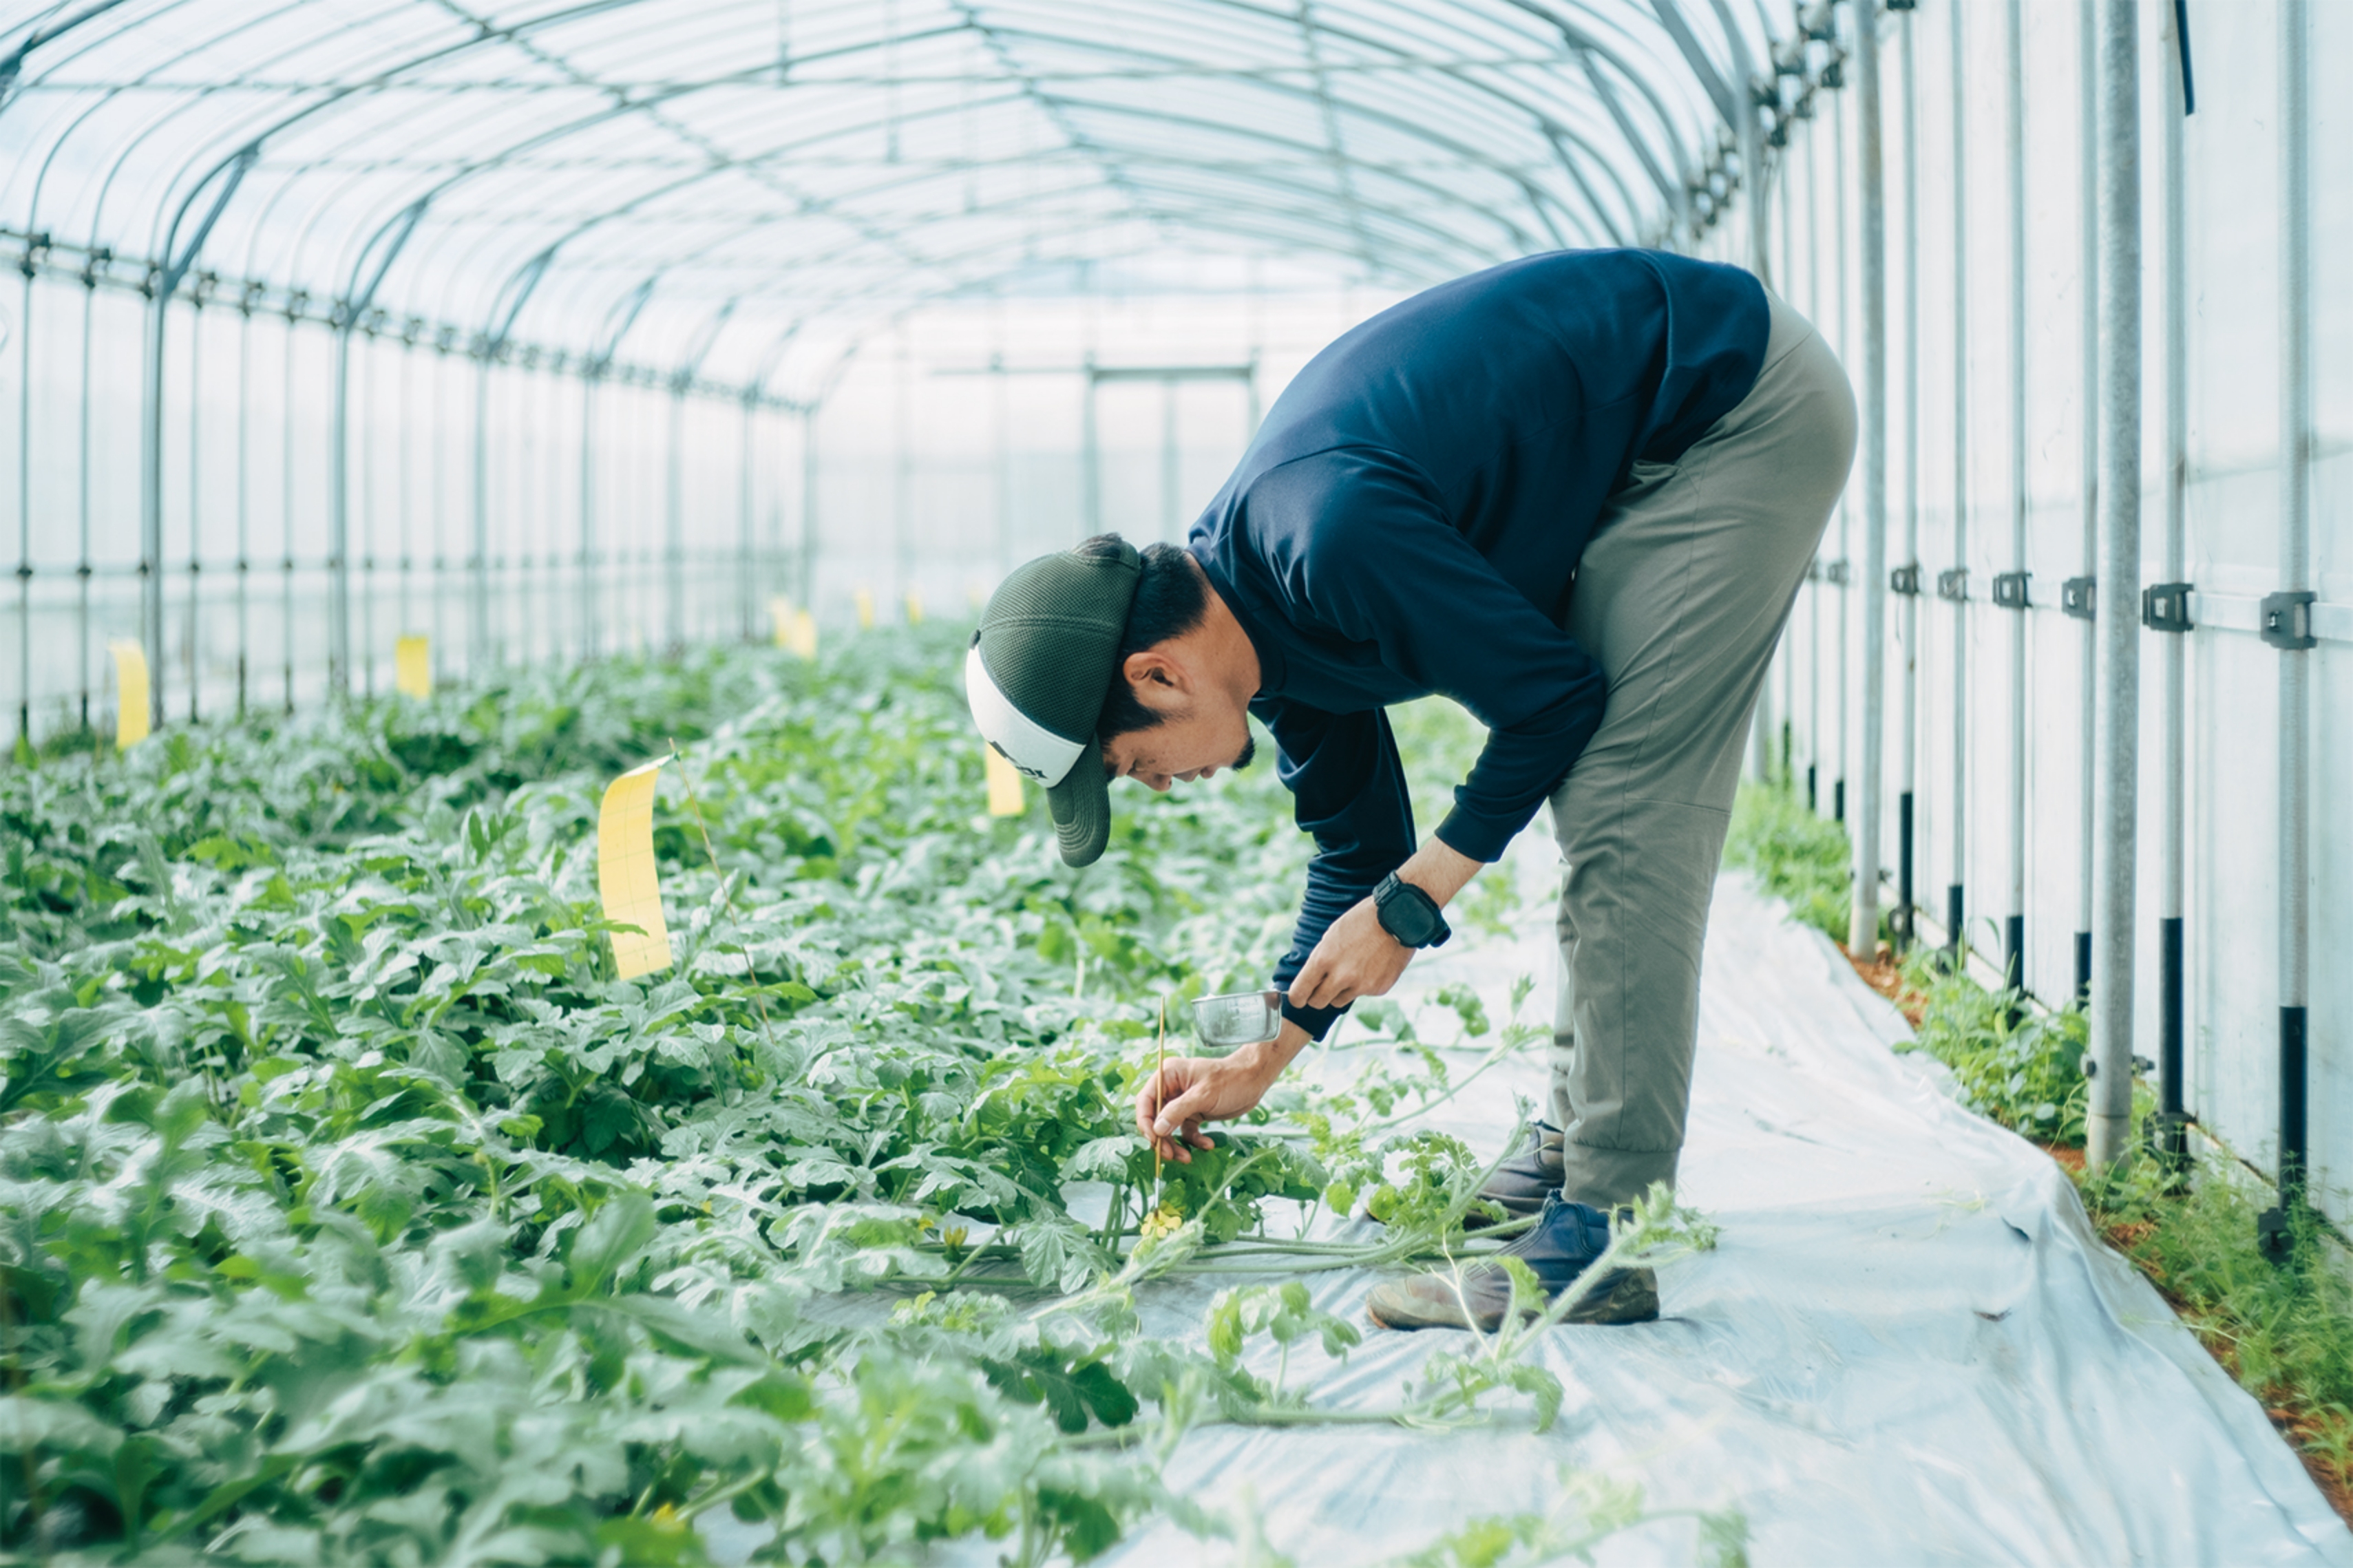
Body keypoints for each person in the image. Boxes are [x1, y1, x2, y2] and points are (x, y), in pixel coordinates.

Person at [962, 248, 1855, 1331]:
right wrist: (1266, 1046)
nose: (1158, 786)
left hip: (1730, 408)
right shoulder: (1262, 629)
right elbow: (1356, 845)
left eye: (1131, 764)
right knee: (1597, 796)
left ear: (1156, 674)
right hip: (1649, 440)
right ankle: (1573, 1148)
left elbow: (1550, 701)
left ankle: (1599, 1227)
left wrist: (1413, 900)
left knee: (1624, 802)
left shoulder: (1324, 538)